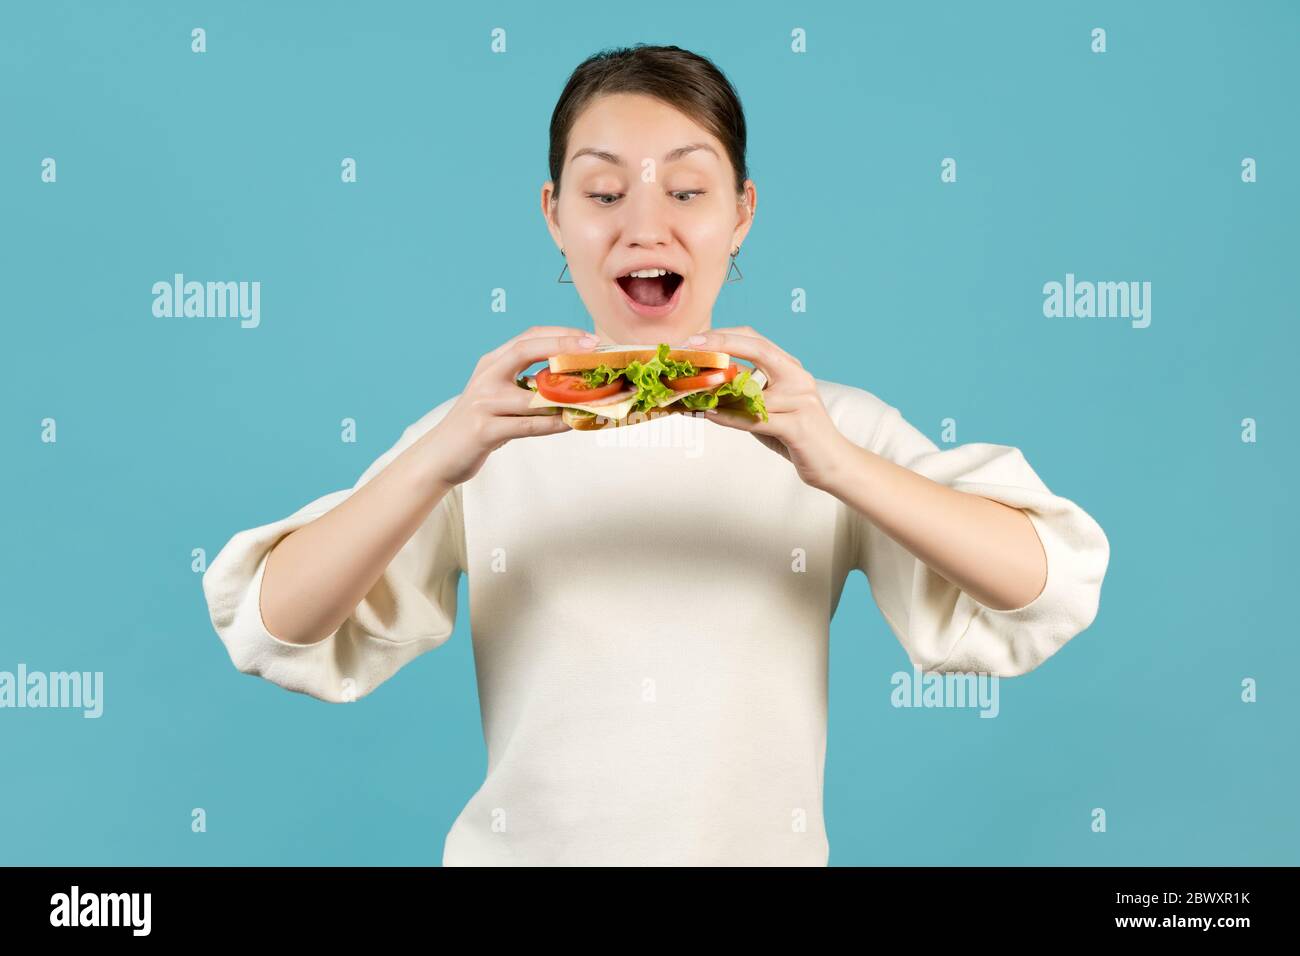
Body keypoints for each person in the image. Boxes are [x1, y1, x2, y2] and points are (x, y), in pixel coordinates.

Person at [202, 44, 1110, 866]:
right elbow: (274, 623)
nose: (646, 228)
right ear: (554, 216)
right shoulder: (483, 430)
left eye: (686, 191)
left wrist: (836, 463)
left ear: (742, 213)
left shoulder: (823, 425)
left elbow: (1047, 583)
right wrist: (438, 457)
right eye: (603, 195)